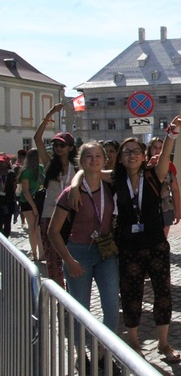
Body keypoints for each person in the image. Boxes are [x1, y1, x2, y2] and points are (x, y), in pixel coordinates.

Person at [70, 116, 181, 363]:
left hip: (155, 245)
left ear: (143, 156)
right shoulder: (115, 179)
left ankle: (164, 344)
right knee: (131, 295)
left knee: (163, 293)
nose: (131, 155)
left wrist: (171, 134)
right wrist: (75, 183)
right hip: (128, 248)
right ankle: (133, 342)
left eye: (135, 151)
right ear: (120, 158)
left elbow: (166, 153)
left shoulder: (155, 175)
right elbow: (87, 171)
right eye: (126, 152)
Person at [48, 141, 120, 372]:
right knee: (81, 310)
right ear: (81, 160)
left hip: (106, 252)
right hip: (78, 253)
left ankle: (101, 351)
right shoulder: (70, 193)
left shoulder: (110, 184)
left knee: (111, 308)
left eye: (98, 155)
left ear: (104, 159)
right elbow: (52, 232)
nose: (94, 160)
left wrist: (78, 178)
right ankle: (82, 355)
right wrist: (69, 260)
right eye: (89, 156)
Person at [34, 103, 78, 287]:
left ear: (70, 147)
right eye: (55, 145)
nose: (58, 148)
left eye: (62, 145)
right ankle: (57, 294)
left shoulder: (77, 167)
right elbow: (37, 139)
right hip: (48, 216)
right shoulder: (49, 163)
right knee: (52, 260)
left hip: (70, 217)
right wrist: (49, 114)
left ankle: (73, 291)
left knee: (71, 256)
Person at [146, 137, 181, 237]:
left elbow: (175, 189)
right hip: (148, 208)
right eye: (155, 148)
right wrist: (149, 165)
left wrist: (177, 211)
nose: (157, 151)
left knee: (162, 238)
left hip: (165, 206)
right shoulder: (143, 164)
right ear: (150, 149)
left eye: (161, 148)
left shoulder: (169, 166)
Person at [18, 148, 45, 260]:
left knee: (38, 227)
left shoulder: (41, 168)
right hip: (27, 201)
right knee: (32, 227)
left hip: (38, 199)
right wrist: (33, 206)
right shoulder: (26, 172)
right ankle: (34, 253)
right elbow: (25, 191)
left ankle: (41, 253)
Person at [0, 154, 18, 237]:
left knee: (7, 222)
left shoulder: (11, 174)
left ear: (6, 163)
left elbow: (15, 187)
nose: (1, 164)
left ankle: (6, 239)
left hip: (9, 201)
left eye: (3, 162)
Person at [12, 149, 27, 226]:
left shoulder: (27, 166)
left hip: (24, 187)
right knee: (22, 205)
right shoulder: (17, 168)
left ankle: (24, 221)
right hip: (20, 188)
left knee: (23, 206)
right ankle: (23, 221)